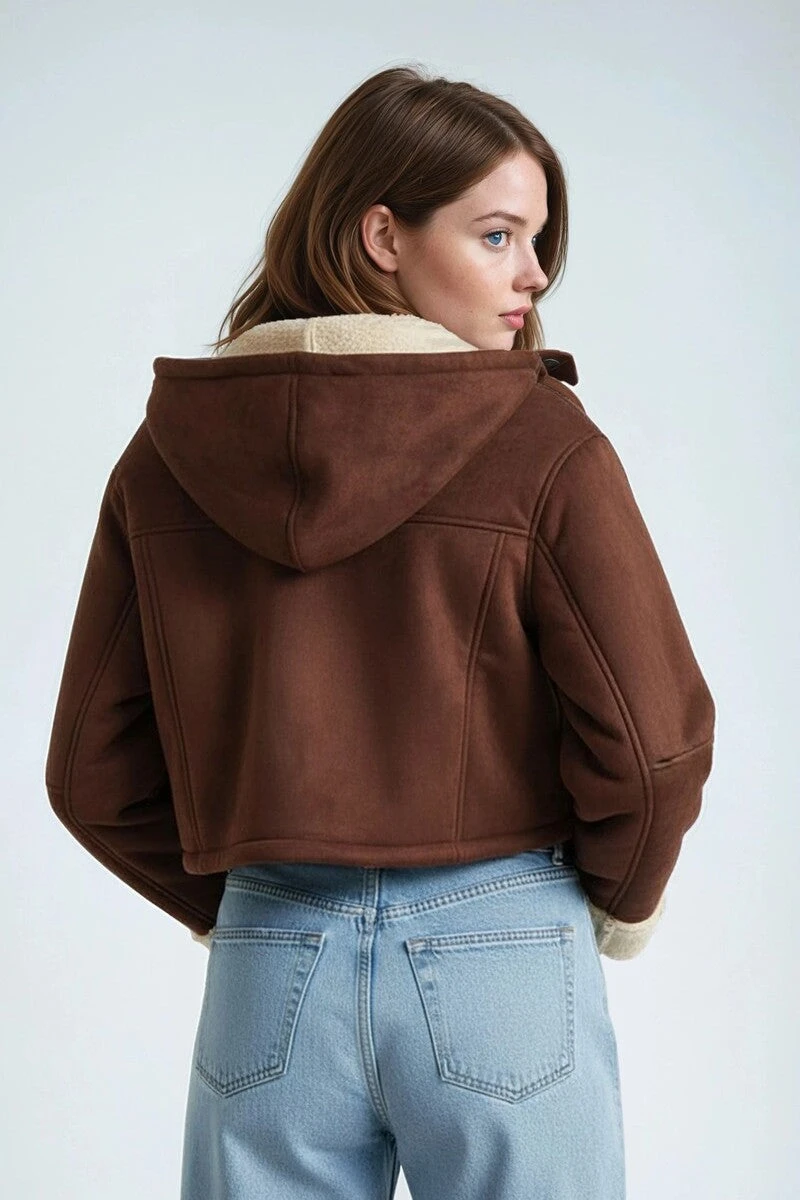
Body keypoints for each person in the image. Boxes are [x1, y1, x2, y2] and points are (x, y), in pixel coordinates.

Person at [44, 63, 716, 1199]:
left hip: (271, 954)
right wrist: (606, 906)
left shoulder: (165, 457)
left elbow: (89, 773)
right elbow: (655, 750)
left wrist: (256, 910)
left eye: (535, 239)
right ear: (382, 235)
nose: (534, 273)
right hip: (503, 946)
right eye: (496, 235)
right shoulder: (540, 442)